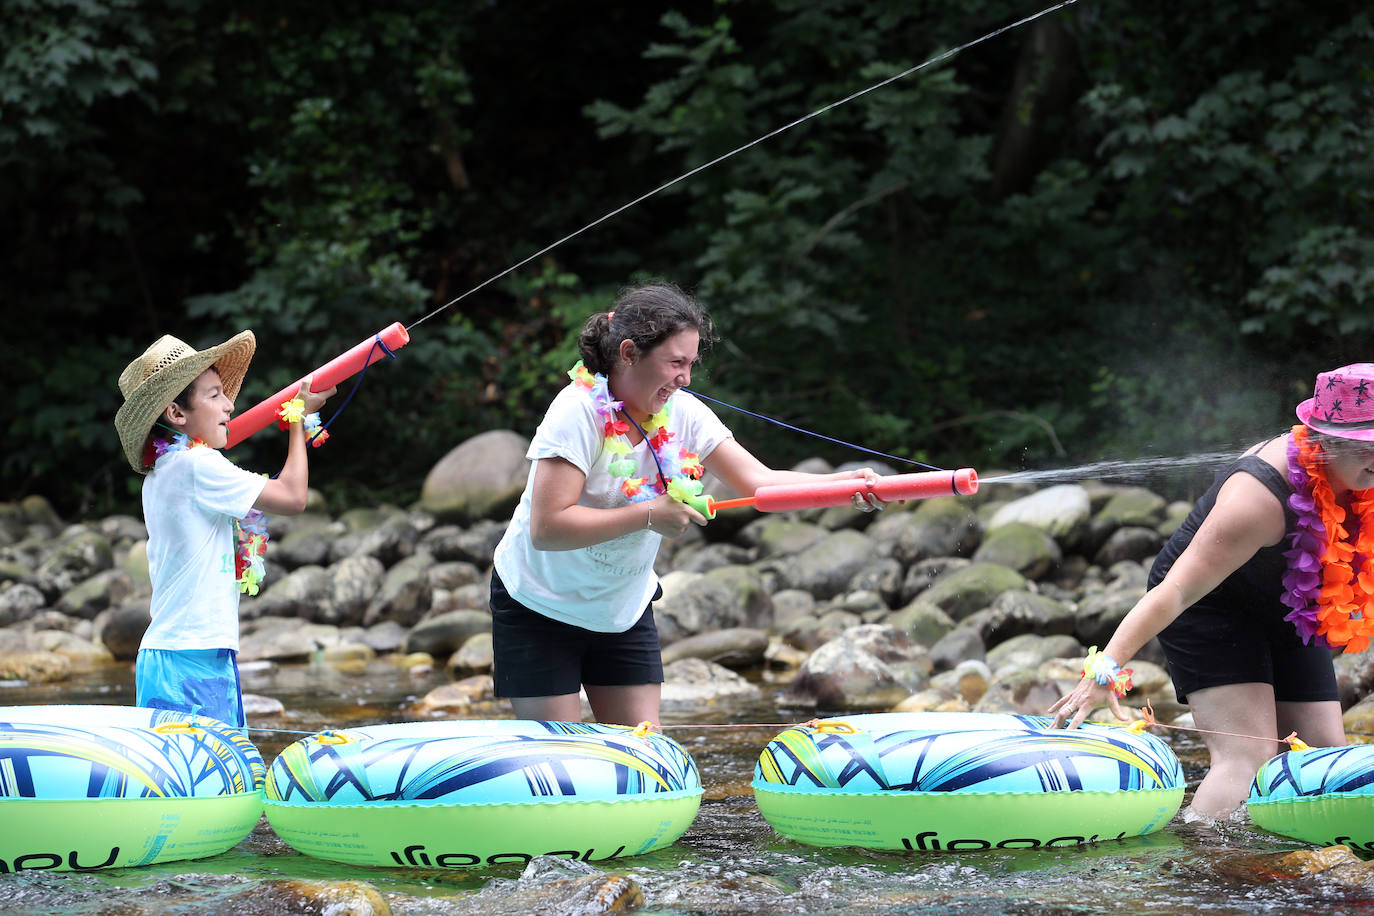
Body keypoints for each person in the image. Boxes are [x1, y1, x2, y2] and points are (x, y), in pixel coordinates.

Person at [489, 282, 884, 728]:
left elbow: (762, 482)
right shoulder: (576, 412)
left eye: (691, 364)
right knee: (561, 762)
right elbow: (548, 528)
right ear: (629, 353)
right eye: (675, 363)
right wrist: (650, 513)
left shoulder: (684, 412)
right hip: (539, 603)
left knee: (643, 758)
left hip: (621, 608)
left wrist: (840, 485)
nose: (686, 379)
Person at [1047, 364, 1374, 818]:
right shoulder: (1257, 499)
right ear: (1324, 441)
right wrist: (1103, 671)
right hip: (1208, 605)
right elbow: (1176, 592)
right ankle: (1207, 866)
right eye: (1368, 447)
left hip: (1291, 603)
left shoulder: (1362, 477)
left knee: (1323, 756)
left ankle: (1301, 859)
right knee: (1249, 759)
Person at [114, 331, 335, 727]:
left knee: (206, 782)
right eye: (214, 395)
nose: (230, 405)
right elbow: (292, 497)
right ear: (176, 414)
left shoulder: (168, 468)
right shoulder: (196, 466)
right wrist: (298, 420)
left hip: (184, 653)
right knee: (215, 783)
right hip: (190, 656)